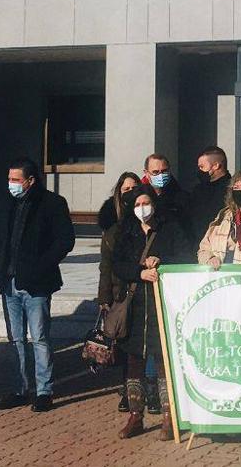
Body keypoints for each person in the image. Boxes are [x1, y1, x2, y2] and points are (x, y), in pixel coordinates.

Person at [0, 157, 76, 413]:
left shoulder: (51, 204)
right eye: (9, 179)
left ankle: (44, 391)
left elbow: (65, 240)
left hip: (37, 283)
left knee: (39, 337)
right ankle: (19, 388)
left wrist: (41, 267)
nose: (11, 184)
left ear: (30, 181)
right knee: (15, 339)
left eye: (16, 180)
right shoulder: (5, 204)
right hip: (9, 282)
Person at [113, 186, 192, 440]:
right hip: (135, 304)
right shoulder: (127, 231)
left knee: (162, 359)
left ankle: (170, 415)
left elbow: (185, 254)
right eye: (137, 204)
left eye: (146, 202)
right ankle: (136, 415)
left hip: (162, 301)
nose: (142, 208)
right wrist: (139, 271)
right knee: (134, 360)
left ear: (154, 204)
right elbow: (117, 264)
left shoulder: (169, 228)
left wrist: (162, 260)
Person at [97, 171, 140, 412]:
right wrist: (103, 297)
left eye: (134, 189)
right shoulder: (111, 228)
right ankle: (126, 390)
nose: (130, 194)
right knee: (122, 344)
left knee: (138, 345)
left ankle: (144, 390)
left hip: (139, 290)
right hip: (118, 292)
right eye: (125, 190)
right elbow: (105, 265)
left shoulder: (145, 223)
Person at [186, 147, 230, 242]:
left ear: (215, 166)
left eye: (202, 167)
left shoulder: (231, 189)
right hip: (197, 242)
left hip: (221, 241)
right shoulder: (198, 190)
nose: (200, 170)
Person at [143, 153, 189, 230]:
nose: (160, 175)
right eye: (155, 172)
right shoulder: (140, 198)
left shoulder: (181, 198)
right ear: (146, 173)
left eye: (164, 171)